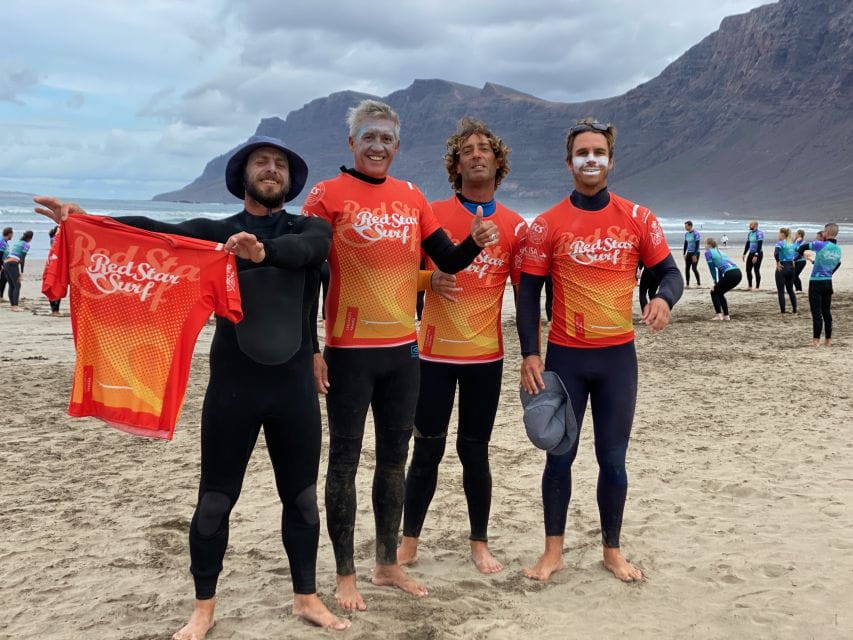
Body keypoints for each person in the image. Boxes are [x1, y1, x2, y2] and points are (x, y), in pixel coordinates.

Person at [34, 134, 351, 637]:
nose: (271, 170)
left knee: (303, 499)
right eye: (261, 163)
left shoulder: (310, 228)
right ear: (241, 177)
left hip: (293, 388)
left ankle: (306, 597)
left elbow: (306, 250)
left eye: (280, 165)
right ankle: (204, 606)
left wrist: (261, 251)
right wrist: (85, 219)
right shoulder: (216, 234)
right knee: (214, 501)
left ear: (290, 180)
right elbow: (157, 233)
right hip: (233, 387)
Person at [303, 100, 498, 611]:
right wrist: (312, 348)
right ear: (352, 143)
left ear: (397, 145)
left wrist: (474, 243)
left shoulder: (411, 197)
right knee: (343, 462)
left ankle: (386, 564)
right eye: (368, 136)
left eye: (386, 138)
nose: (377, 145)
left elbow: (447, 260)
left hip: (403, 354)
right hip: (348, 353)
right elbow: (303, 273)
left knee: (395, 461)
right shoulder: (328, 195)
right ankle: (346, 575)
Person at [517, 118, 683, 583]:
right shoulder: (546, 225)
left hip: (617, 361)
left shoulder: (638, 218)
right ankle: (553, 552)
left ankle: (612, 550)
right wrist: (530, 353)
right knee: (559, 457)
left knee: (613, 460)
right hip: (565, 359)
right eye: (582, 152)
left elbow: (671, 274)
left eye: (598, 152)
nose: (590, 159)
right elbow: (528, 293)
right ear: (569, 162)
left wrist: (663, 299)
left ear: (611, 160)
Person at [397, 118, 526, 575]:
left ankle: (479, 543)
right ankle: (409, 540)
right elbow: (398, 276)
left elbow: (526, 293)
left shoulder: (513, 225)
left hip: (485, 358)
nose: (476, 154)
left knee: (475, 451)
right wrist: (431, 278)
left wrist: (533, 352)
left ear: (497, 161)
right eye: (466, 149)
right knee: (426, 450)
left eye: (484, 148)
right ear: (455, 164)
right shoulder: (430, 215)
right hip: (431, 355)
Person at [797, 223, 842, 346]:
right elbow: (838, 264)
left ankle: (816, 341)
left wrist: (803, 255)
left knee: (816, 312)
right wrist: (829, 272)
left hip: (816, 282)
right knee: (826, 312)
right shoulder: (838, 250)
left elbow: (801, 247)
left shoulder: (820, 244)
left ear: (826, 233)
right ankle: (828, 340)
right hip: (828, 281)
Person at [705, 238, 742, 320]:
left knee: (714, 292)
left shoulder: (708, 253)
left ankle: (718, 315)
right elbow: (720, 270)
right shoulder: (721, 252)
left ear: (709, 245)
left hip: (730, 274)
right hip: (738, 273)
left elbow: (712, 269)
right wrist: (718, 283)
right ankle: (726, 316)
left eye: (705, 244)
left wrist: (715, 282)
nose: (705, 246)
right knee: (720, 293)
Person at [3, 230, 33, 312]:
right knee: (17, 285)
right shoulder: (26, 245)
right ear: (30, 238)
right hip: (12, 263)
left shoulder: (18, 242)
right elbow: (22, 258)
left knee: (11, 285)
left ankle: (13, 306)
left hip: (6, 263)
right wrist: (22, 271)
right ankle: (15, 306)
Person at [774, 227, 797, 314]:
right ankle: (794, 309)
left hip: (782, 267)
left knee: (781, 291)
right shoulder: (792, 244)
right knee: (790, 289)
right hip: (791, 267)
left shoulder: (780, 243)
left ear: (782, 234)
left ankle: (783, 311)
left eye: (779, 233)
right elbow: (799, 253)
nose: (778, 235)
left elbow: (776, 253)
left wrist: (777, 262)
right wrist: (793, 260)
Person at [742, 219, 764, 290]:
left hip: (758, 253)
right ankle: (750, 286)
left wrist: (756, 255)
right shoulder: (750, 233)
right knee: (748, 270)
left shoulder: (759, 233)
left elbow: (760, 245)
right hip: (751, 253)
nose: (749, 226)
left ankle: (757, 287)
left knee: (756, 270)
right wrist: (744, 253)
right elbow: (748, 244)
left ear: (755, 225)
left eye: (751, 224)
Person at [46, 225, 62, 316]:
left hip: (51, 263)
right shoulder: (57, 239)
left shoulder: (53, 238)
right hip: (56, 264)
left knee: (52, 287)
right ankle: (55, 310)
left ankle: (54, 310)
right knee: (56, 287)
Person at [682, 220, 701, 287]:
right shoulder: (686, 234)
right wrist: (684, 253)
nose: (685, 227)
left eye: (686, 226)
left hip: (695, 253)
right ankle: (687, 284)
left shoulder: (696, 233)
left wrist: (695, 254)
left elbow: (697, 245)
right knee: (687, 268)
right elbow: (686, 244)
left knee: (694, 268)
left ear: (690, 226)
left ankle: (699, 284)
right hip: (689, 253)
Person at [0, 226, 13, 301]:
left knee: (4, 280)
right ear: (9, 234)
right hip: (2, 264)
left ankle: (1, 296)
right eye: (12, 234)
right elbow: (0, 254)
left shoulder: (5, 242)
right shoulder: (2, 242)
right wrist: (1, 265)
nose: (12, 236)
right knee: (3, 280)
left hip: (5, 263)